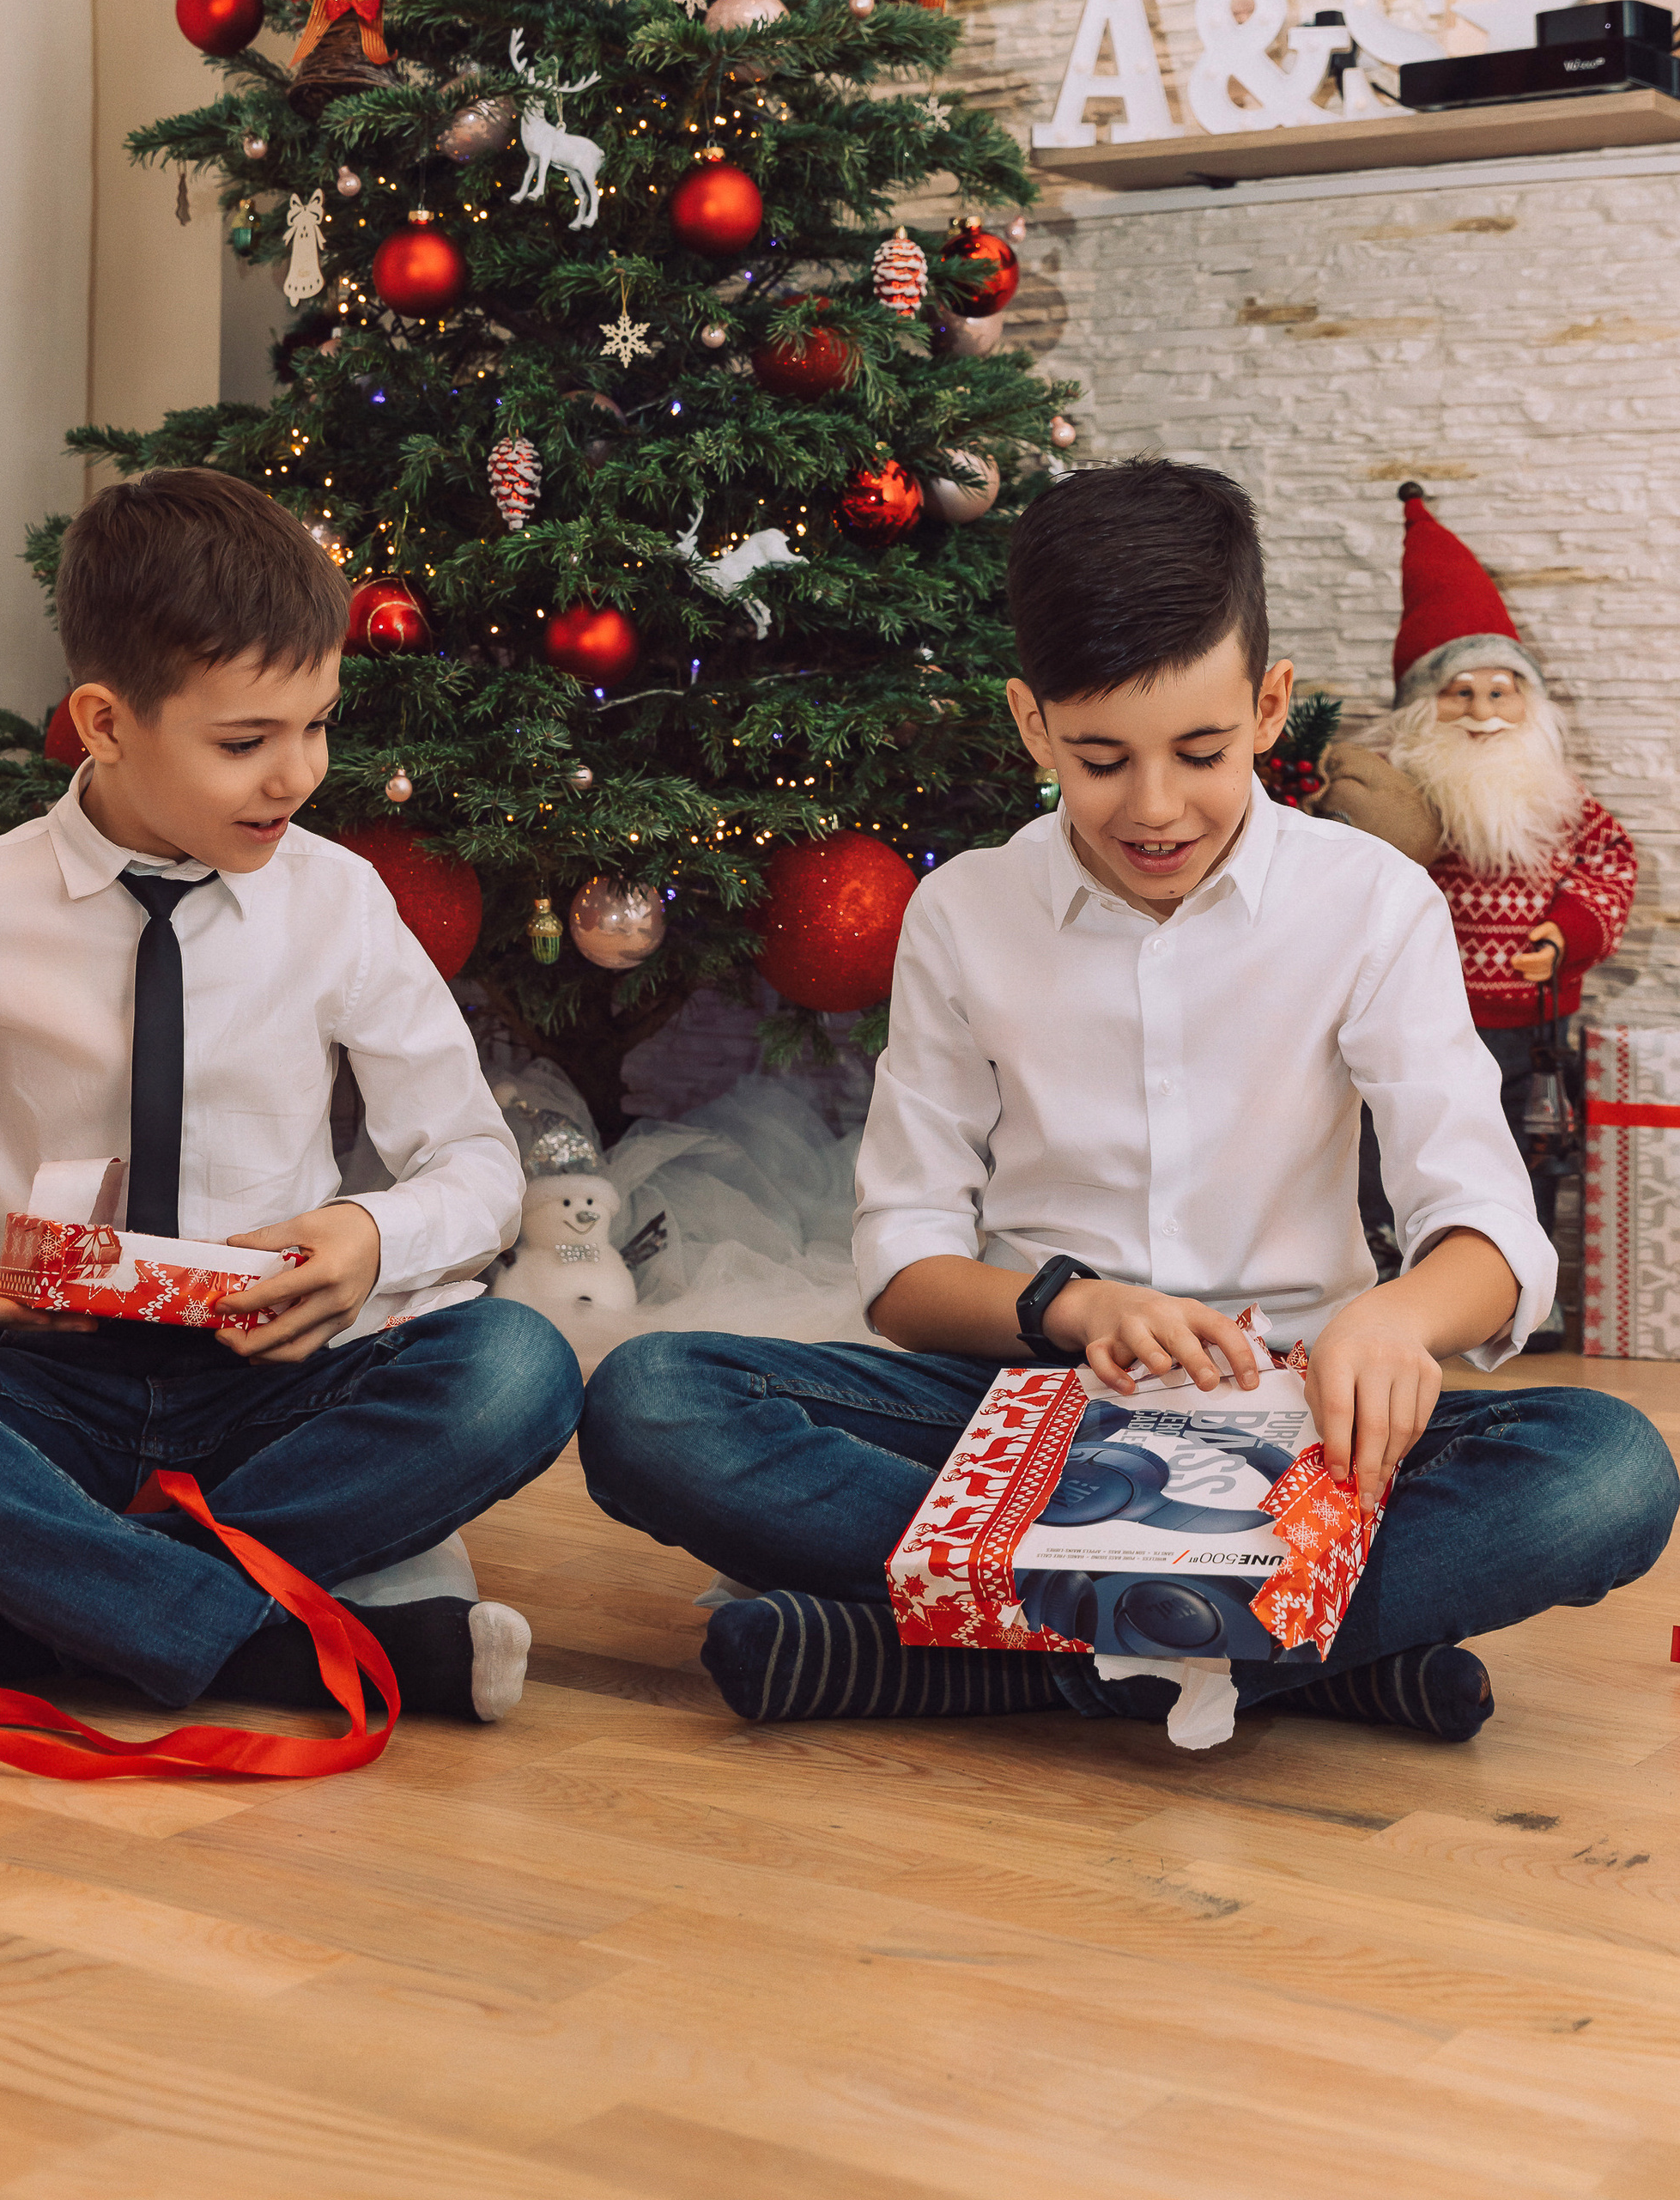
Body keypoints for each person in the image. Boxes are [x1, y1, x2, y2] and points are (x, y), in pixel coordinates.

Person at [579, 459, 1676, 1740]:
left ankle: (970, 1661)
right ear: (1032, 724)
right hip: (1024, 1414)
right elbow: (902, 1266)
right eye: (1101, 759)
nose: (1154, 809)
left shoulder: (1371, 903)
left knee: (1612, 1471)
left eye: (1200, 752)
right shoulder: (964, 913)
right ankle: (1302, 1653)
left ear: (1270, 707)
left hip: (1311, 1412)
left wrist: (1393, 1320)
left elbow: (1488, 1228)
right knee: (650, 1402)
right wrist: (1067, 1306)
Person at [0, 469, 581, 1726]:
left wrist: (368, 1236)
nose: (297, 774)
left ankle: (31, 1620)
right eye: (245, 742)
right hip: (31, 1387)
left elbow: (475, 1162)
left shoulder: (339, 903)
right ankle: (262, 1644)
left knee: (518, 1365)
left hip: (273, 1384)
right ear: (107, 722)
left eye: (319, 724)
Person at [1356, 486, 1635, 1328]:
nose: (1480, 714)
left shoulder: (1557, 796)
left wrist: (1569, 931)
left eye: (1498, 693)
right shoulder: (1408, 794)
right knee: (1400, 1140)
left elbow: (1608, 861)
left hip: (1529, 1023)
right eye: (1458, 695)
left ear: (1529, 705)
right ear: (1422, 708)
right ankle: (1393, 1274)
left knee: (1526, 1149)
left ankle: (1526, 1288)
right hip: (1424, 1014)